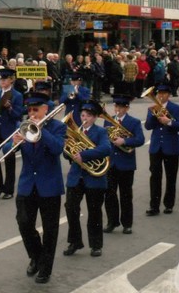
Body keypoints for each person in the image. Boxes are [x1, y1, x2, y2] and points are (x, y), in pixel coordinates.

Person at [14, 92, 66, 284]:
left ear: (46, 109)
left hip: (49, 185)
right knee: (23, 222)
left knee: (50, 229)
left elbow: (57, 148)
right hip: (27, 184)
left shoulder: (58, 127)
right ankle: (36, 256)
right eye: (29, 110)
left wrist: (41, 131)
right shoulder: (23, 126)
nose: (32, 113)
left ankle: (45, 268)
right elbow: (5, 152)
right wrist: (13, 144)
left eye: (36, 109)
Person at [63, 100, 112, 258]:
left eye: (89, 116)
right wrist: (69, 149)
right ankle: (75, 241)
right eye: (83, 115)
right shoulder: (75, 131)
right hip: (76, 177)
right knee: (71, 208)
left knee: (94, 212)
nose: (85, 118)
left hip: (94, 178)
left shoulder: (100, 132)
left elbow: (106, 149)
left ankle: (96, 245)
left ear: (95, 118)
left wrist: (83, 155)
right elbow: (66, 153)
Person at [102, 94, 145, 235]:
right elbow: (105, 140)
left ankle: (127, 224)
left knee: (126, 195)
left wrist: (125, 141)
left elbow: (140, 140)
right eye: (116, 106)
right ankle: (112, 222)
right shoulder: (108, 122)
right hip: (111, 163)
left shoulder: (134, 122)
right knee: (109, 194)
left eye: (121, 107)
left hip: (126, 164)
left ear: (127, 108)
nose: (117, 109)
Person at [144, 85, 179, 216]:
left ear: (169, 95)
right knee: (155, 177)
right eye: (159, 93)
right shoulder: (153, 108)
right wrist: (153, 115)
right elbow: (148, 126)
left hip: (171, 147)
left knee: (170, 177)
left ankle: (169, 204)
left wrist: (169, 122)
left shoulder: (176, 108)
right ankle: (154, 206)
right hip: (156, 147)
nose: (161, 96)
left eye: (164, 93)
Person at [0, 68, 23, 199]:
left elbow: (18, 115)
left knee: (9, 159)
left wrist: (10, 108)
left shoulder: (17, 95)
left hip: (9, 130)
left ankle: (9, 189)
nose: (2, 81)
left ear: (11, 80)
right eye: (1, 79)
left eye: (5, 79)